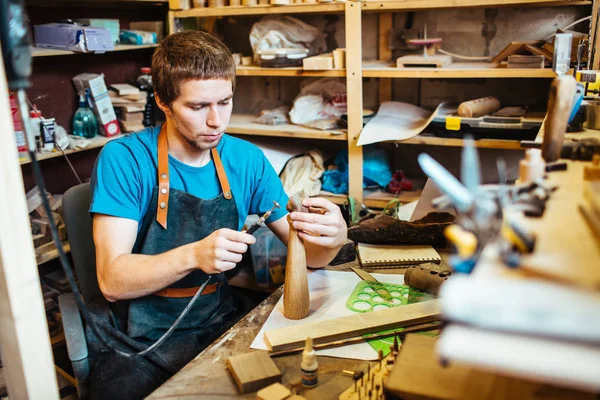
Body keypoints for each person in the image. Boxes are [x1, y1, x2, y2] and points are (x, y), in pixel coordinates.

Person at [88, 30, 347, 399]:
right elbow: (112, 281)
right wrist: (194, 254)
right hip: (138, 339)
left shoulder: (245, 160)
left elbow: (309, 255)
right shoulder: (125, 160)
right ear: (162, 100)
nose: (216, 122)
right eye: (198, 107)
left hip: (218, 321)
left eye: (225, 102)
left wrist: (333, 239)